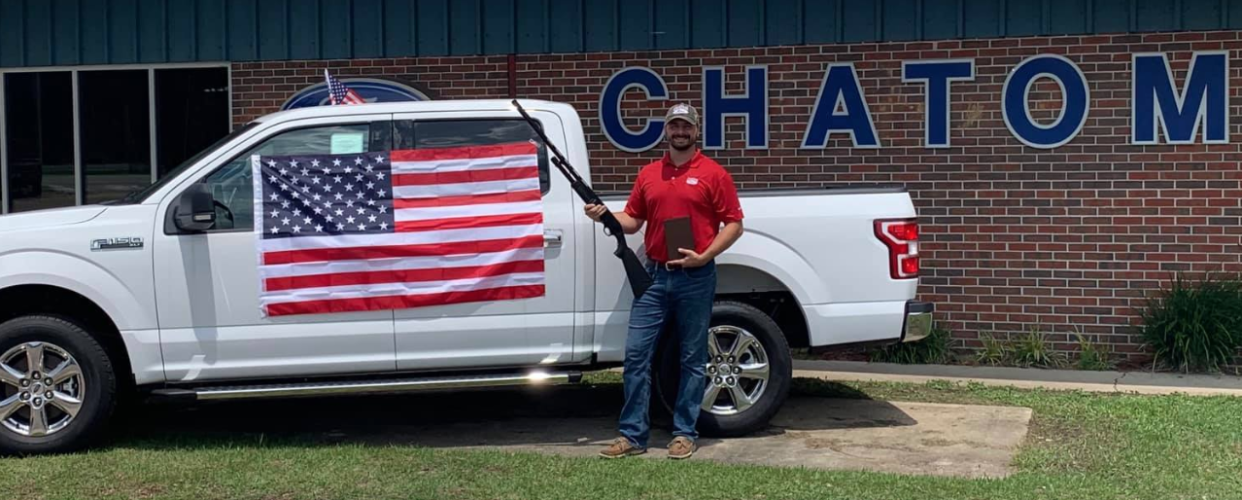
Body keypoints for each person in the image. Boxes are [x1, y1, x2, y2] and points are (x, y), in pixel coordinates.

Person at [585, 102, 745, 460]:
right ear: (666, 131)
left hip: (696, 276)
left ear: (696, 131)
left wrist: (704, 256)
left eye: (686, 126)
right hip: (654, 277)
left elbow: (734, 223)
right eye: (674, 126)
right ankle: (632, 435)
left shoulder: (714, 174)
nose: (680, 132)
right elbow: (633, 222)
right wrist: (604, 215)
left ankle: (685, 433)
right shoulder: (649, 174)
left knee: (691, 358)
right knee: (637, 355)